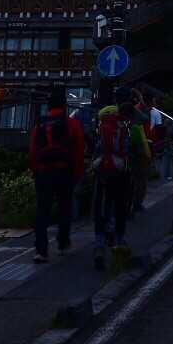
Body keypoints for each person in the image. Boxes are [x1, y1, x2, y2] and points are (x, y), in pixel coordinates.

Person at [91, 86, 151, 269]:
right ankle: (118, 241)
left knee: (102, 206)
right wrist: (139, 100)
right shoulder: (130, 120)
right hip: (121, 170)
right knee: (120, 207)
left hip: (102, 167)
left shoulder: (104, 116)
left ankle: (99, 245)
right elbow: (145, 120)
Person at [28, 89, 85, 264]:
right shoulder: (72, 124)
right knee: (64, 207)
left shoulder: (39, 125)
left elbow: (32, 151)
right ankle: (62, 243)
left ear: (48, 106)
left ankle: (41, 250)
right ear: (65, 106)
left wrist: (35, 170)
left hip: (43, 172)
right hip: (64, 171)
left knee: (42, 210)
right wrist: (77, 173)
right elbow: (79, 151)